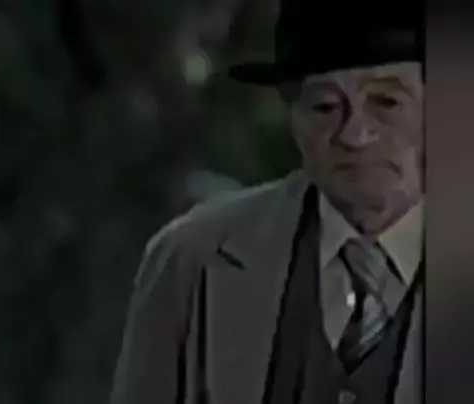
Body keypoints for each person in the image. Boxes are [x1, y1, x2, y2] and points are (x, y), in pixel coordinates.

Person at [109, 0, 424, 402]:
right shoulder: (193, 259)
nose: (354, 134)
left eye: (387, 102)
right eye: (324, 106)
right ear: (293, 117)